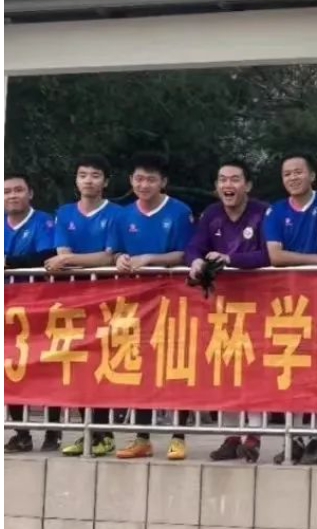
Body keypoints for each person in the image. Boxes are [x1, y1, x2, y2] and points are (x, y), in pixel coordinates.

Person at [110, 152, 194, 461]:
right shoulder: (123, 216)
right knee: (141, 366)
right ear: (131, 181)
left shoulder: (180, 211)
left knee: (177, 365)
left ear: (163, 182)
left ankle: (179, 436)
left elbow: (184, 254)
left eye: (151, 179)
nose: (144, 185)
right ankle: (142, 437)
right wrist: (119, 258)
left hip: (174, 299)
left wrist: (150, 259)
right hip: (136, 302)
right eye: (139, 179)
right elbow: (114, 252)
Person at [187, 160, 270, 464]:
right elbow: (193, 247)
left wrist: (231, 259)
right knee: (227, 367)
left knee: (255, 367)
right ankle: (232, 435)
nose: (228, 185)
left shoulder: (263, 213)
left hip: (260, 302)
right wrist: (195, 261)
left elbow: (269, 254)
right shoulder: (211, 214)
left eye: (235, 179)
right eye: (222, 180)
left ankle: (254, 435)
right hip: (223, 306)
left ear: (247, 185)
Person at [43, 155, 122, 457]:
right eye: (83, 175)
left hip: (108, 300)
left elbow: (108, 257)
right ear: (76, 180)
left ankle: (104, 433)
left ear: (106, 181)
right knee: (76, 365)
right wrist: (68, 259)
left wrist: (68, 259)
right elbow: (62, 253)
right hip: (73, 301)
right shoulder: (64, 213)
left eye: (95, 175)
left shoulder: (116, 213)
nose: (89, 180)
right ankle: (88, 430)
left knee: (103, 364)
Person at [264, 153, 317, 466]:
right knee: (292, 369)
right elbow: (275, 256)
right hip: (289, 303)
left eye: (298, 172)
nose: (293, 178)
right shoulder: (276, 211)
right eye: (287, 174)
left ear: (312, 176)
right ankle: (293, 438)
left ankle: (316, 437)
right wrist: (314, 260)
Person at [3, 172, 61, 453]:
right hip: (7, 310)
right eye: (6, 191)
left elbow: (46, 256)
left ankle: (53, 431)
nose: (12, 196)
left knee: (48, 367)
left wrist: (9, 262)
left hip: (40, 305)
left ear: (30, 193)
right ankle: (21, 433)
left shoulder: (44, 221)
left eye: (18, 190)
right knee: (10, 368)